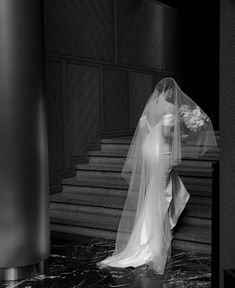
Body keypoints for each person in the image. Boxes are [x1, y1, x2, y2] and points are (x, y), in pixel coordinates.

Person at [98, 77, 217, 274]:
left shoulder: (151, 105)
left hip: (149, 149)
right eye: (172, 92)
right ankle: (154, 238)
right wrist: (186, 136)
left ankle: (162, 226)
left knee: (165, 187)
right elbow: (166, 135)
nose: (173, 95)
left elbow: (145, 131)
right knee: (162, 192)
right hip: (161, 150)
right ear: (168, 91)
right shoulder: (169, 107)